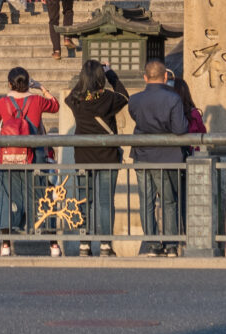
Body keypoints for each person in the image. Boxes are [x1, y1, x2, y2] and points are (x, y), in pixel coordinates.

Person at [62, 60, 129, 257]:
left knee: (83, 200)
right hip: (107, 156)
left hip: (83, 156)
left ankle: (84, 243)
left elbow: (67, 97)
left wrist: (85, 76)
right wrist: (110, 73)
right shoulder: (108, 98)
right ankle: (106, 245)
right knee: (106, 202)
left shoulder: (76, 100)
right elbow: (125, 95)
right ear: (101, 78)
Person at [0, 67, 59, 254]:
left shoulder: (3, 102)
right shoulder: (37, 100)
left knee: (7, 197)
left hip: (10, 158)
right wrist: (42, 88)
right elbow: (55, 105)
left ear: (10, 83)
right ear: (28, 83)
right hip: (35, 157)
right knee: (42, 198)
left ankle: (5, 245)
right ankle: (53, 244)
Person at [126, 60, 188, 256]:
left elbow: (137, 119)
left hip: (142, 155)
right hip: (166, 156)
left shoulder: (134, 100)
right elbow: (180, 129)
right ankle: (170, 245)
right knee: (168, 201)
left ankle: (152, 245)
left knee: (146, 201)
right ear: (166, 77)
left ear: (145, 77)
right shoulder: (173, 99)